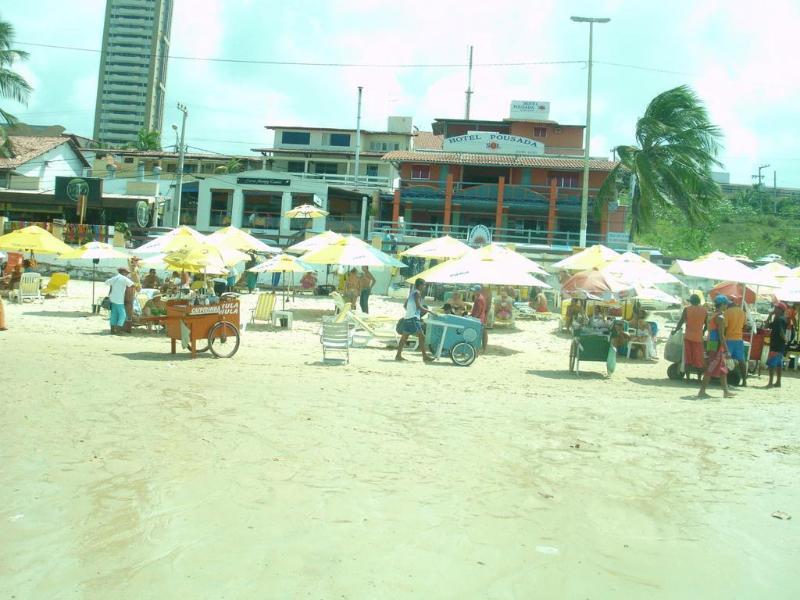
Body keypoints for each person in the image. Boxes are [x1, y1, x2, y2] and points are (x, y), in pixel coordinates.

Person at [698, 295, 734, 399]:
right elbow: (721, 335)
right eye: (726, 303)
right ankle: (702, 391)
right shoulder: (720, 317)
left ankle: (726, 392)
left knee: (722, 369)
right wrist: (727, 350)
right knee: (711, 367)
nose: (727, 305)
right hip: (716, 345)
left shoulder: (714, 315)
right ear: (722, 304)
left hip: (712, 343)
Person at [395, 278, 432, 362]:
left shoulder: (412, 293)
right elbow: (418, 306)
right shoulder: (417, 293)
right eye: (424, 285)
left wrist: (410, 311)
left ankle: (398, 355)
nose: (425, 287)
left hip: (408, 317)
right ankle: (424, 356)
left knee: (404, 338)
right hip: (413, 318)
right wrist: (428, 311)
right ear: (420, 285)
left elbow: (405, 305)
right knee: (422, 336)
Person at [673, 294, 708, 379]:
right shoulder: (704, 310)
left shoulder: (687, 309)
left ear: (691, 301)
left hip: (688, 337)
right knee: (698, 359)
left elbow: (681, 321)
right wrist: (703, 332)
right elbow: (707, 324)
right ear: (699, 301)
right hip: (698, 338)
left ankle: (688, 377)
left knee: (688, 358)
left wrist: (675, 331)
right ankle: (699, 378)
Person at [724, 298, 748, 386]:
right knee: (741, 361)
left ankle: (725, 380)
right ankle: (744, 381)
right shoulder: (742, 312)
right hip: (739, 339)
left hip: (729, 339)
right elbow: (745, 327)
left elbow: (725, 328)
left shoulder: (727, 312)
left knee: (726, 360)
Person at [105, 267, 135, 335]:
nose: (127, 274)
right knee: (123, 315)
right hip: (119, 299)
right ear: (123, 272)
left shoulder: (115, 278)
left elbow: (106, 282)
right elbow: (132, 285)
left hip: (112, 299)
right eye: (127, 273)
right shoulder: (124, 278)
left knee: (113, 315)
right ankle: (118, 330)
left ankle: (112, 330)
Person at [766, 302, 788, 388]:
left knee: (772, 364)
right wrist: (770, 316)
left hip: (776, 345)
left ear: (780, 310)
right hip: (780, 345)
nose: (774, 309)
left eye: (776, 308)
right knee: (779, 364)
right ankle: (778, 382)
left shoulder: (779, 319)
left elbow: (781, 332)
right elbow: (768, 325)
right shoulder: (780, 318)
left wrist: (785, 339)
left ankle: (770, 383)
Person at [470, 284, 489, 353]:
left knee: (479, 334)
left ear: (478, 291)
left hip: (479, 319)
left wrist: (472, 317)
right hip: (481, 318)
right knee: (482, 333)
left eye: (474, 291)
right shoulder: (480, 297)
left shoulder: (479, 299)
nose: (473, 292)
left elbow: (478, 311)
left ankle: (481, 349)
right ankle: (483, 349)